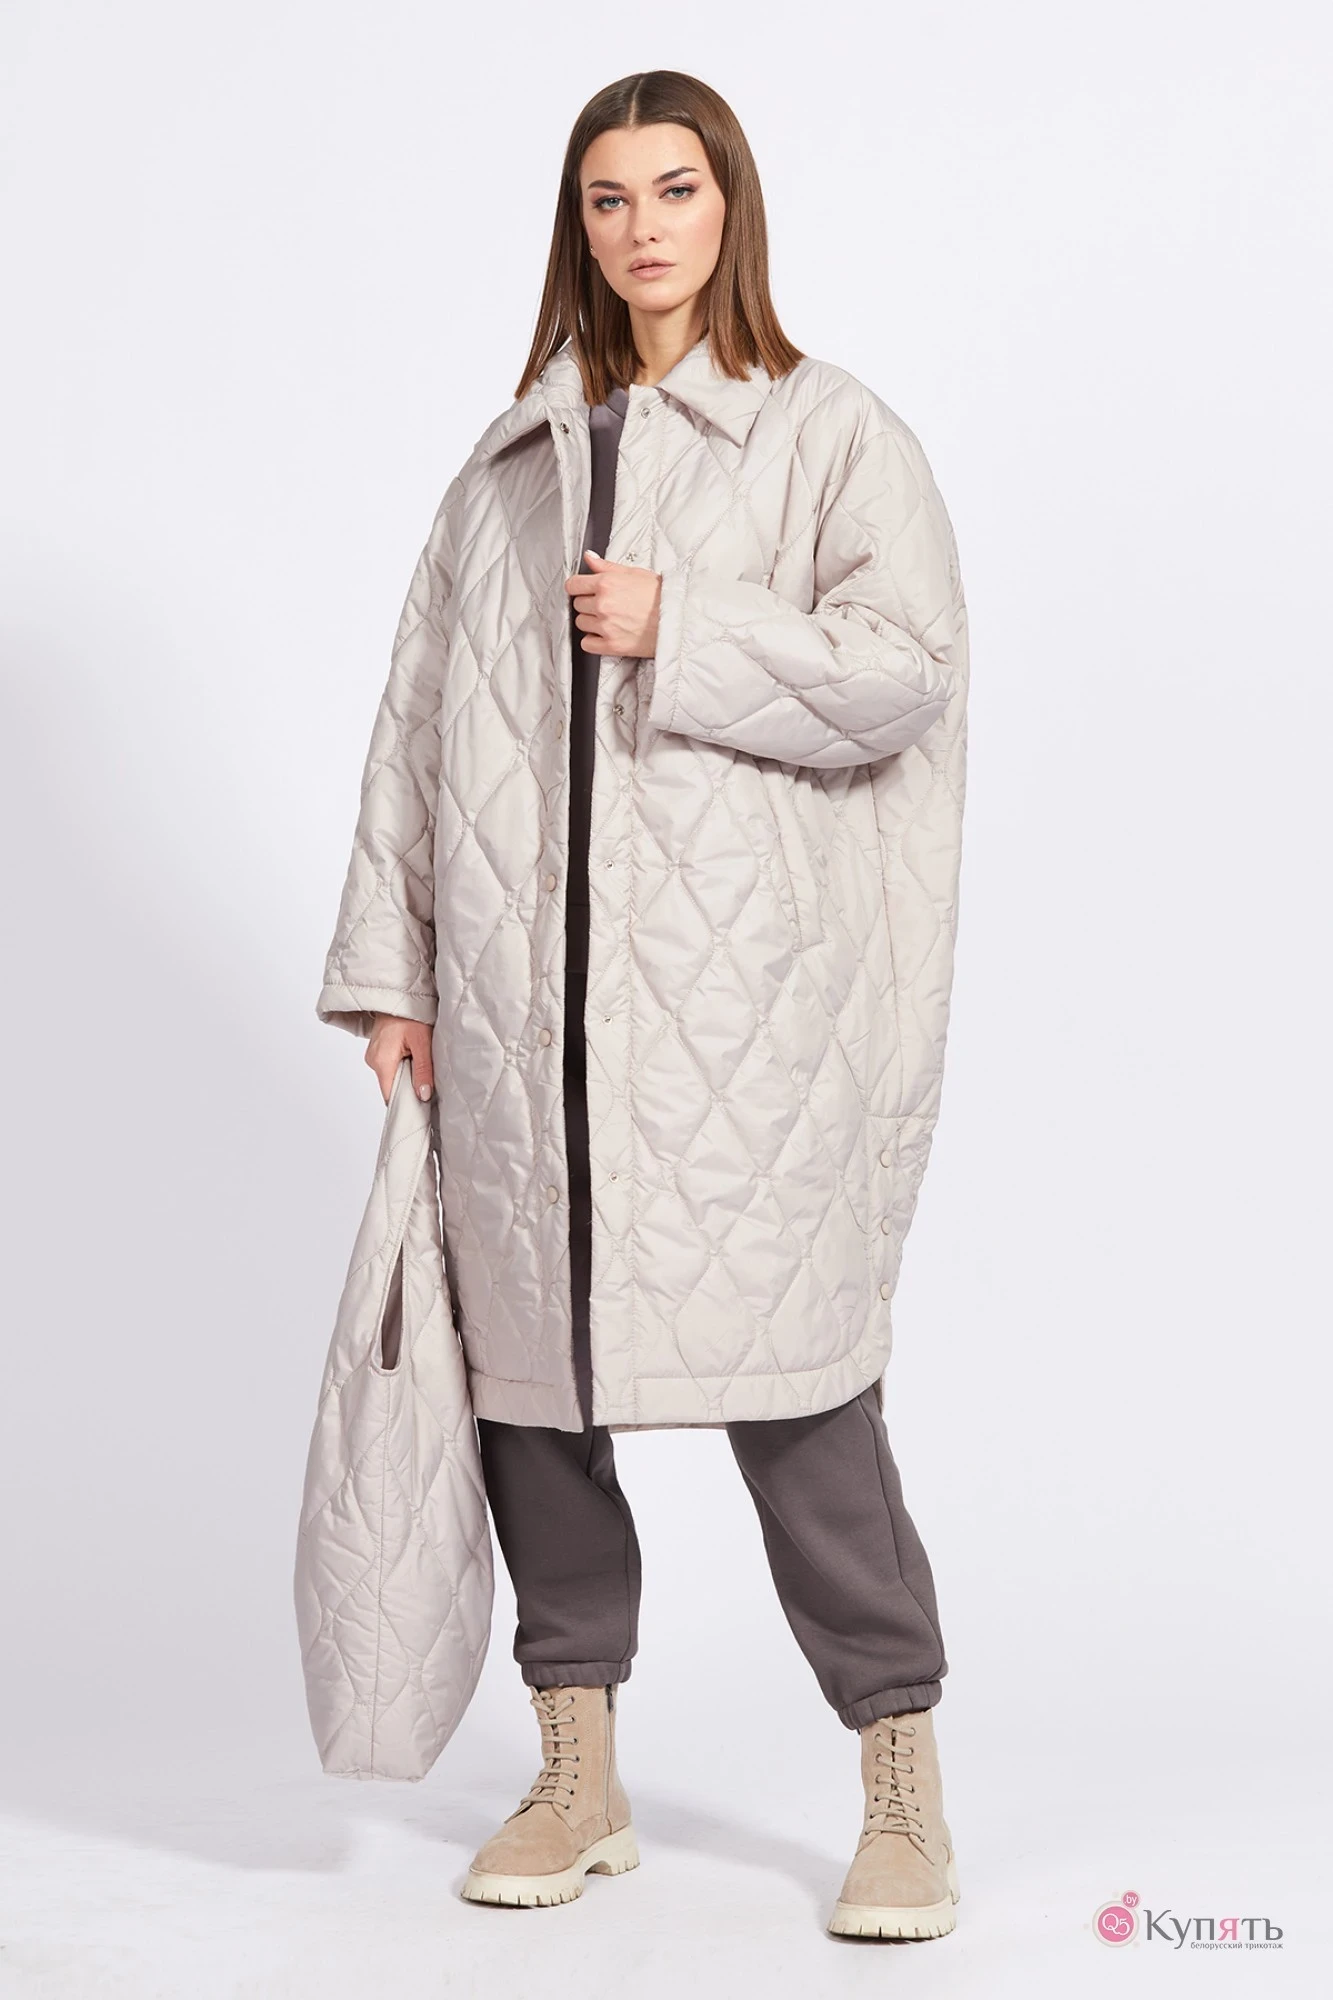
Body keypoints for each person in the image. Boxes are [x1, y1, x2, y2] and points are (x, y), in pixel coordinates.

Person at [315, 69, 969, 1942]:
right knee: (532, 1399)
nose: (642, 228)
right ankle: (575, 1767)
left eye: (674, 189)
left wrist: (691, 625)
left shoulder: (832, 434)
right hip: (523, 1022)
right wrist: (394, 974)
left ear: (729, 203)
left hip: (744, 1023)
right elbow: (416, 729)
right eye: (608, 199)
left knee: (804, 1401)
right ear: (577, 226)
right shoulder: (506, 465)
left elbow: (908, 673)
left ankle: (902, 1780)